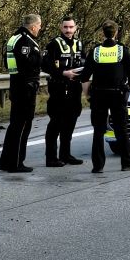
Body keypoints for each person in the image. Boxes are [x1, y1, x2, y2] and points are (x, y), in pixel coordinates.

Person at [80, 21, 130, 173]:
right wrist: (128, 88)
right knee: (121, 129)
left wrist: (87, 95)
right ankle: (127, 163)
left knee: (98, 131)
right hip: (117, 94)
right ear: (116, 33)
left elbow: (85, 77)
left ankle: (98, 166)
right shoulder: (122, 50)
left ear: (102, 33)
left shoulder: (95, 51)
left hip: (99, 94)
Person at [0, 14, 45, 173]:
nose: (40, 29)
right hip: (25, 88)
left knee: (14, 125)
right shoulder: (25, 41)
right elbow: (26, 63)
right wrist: (40, 61)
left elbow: (8, 62)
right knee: (22, 125)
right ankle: (16, 163)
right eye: (39, 26)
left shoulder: (14, 37)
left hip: (17, 85)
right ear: (33, 26)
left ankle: (6, 162)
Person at [42, 17, 86, 167]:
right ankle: (51, 158)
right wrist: (63, 73)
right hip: (58, 88)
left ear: (75, 28)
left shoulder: (79, 44)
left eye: (71, 27)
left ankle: (65, 155)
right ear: (61, 28)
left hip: (75, 88)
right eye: (65, 27)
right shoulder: (54, 44)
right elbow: (45, 65)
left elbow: (85, 62)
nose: (68, 30)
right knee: (56, 123)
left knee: (71, 121)